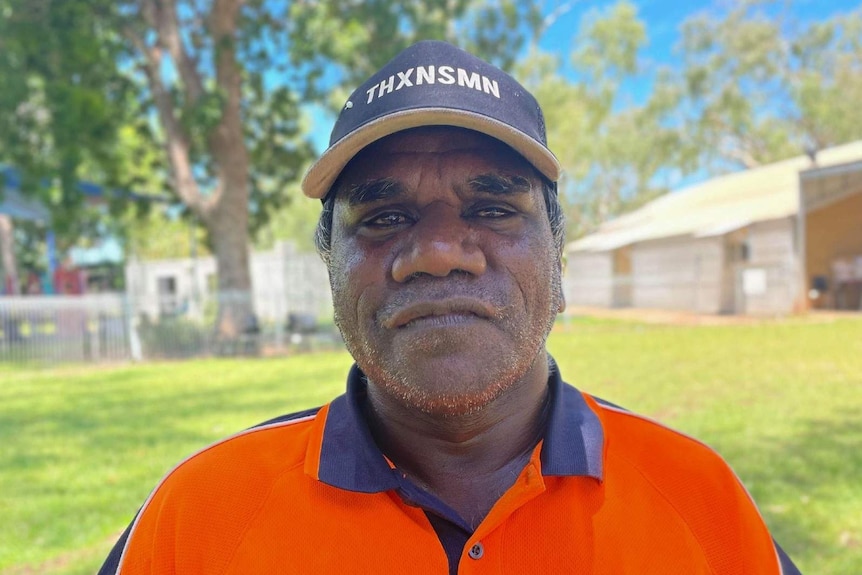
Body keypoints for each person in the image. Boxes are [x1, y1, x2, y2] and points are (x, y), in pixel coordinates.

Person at [99, 40, 802, 574]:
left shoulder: (700, 500)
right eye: (382, 218)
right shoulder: (199, 516)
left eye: (494, 207)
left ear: (557, 254)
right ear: (329, 264)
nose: (438, 251)